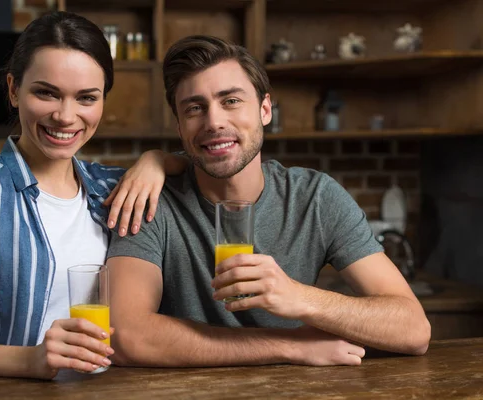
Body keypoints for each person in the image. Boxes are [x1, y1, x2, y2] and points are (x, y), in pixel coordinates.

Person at [0, 12, 188, 379]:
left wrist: (156, 160)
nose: (66, 116)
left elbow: (202, 165)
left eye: (86, 98)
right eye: (46, 92)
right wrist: (30, 361)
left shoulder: (116, 189)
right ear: (14, 90)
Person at [106, 35, 431, 367]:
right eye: (194, 108)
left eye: (230, 101)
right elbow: (123, 335)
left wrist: (299, 297)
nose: (214, 121)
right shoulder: (149, 199)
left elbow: (413, 329)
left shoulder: (315, 198)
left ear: (264, 110)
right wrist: (289, 346)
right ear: (179, 126)